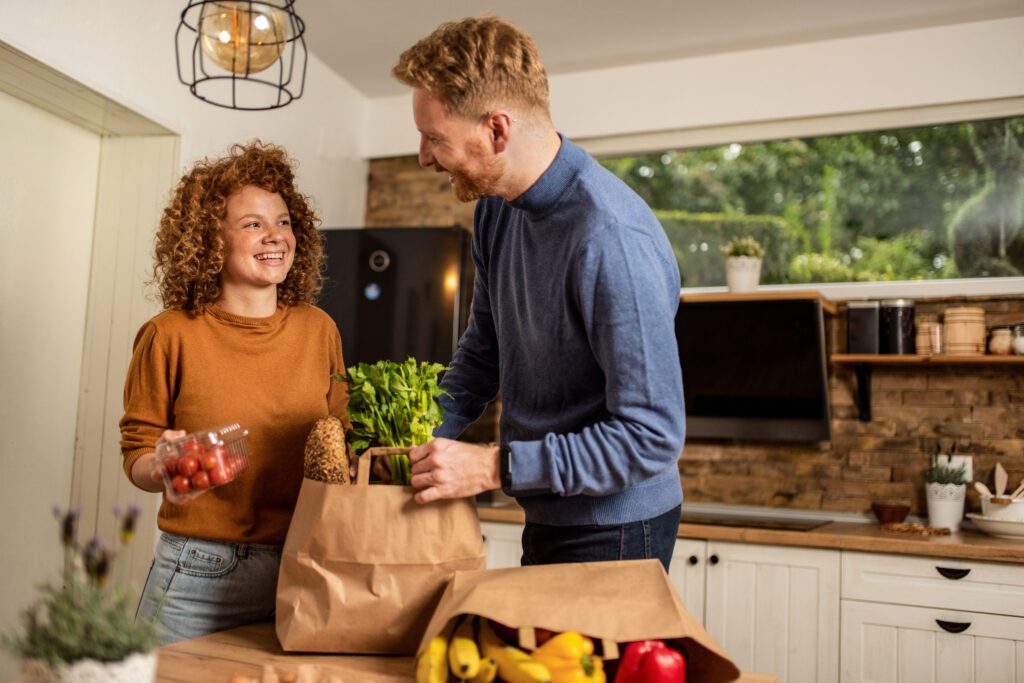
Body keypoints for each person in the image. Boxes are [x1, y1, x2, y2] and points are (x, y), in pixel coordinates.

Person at [392, 17, 685, 569]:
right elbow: (484, 353)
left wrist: (490, 468)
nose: (424, 157)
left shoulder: (610, 237)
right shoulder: (496, 212)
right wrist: (410, 438)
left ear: (497, 130)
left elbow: (651, 438)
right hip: (548, 510)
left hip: (619, 526)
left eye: (434, 137)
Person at [119, 141, 349, 644]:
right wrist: (163, 465)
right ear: (210, 239)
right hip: (195, 576)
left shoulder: (319, 330)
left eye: (284, 222)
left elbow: (343, 441)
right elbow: (137, 450)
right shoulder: (169, 334)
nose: (276, 237)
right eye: (253, 224)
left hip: (301, 567)